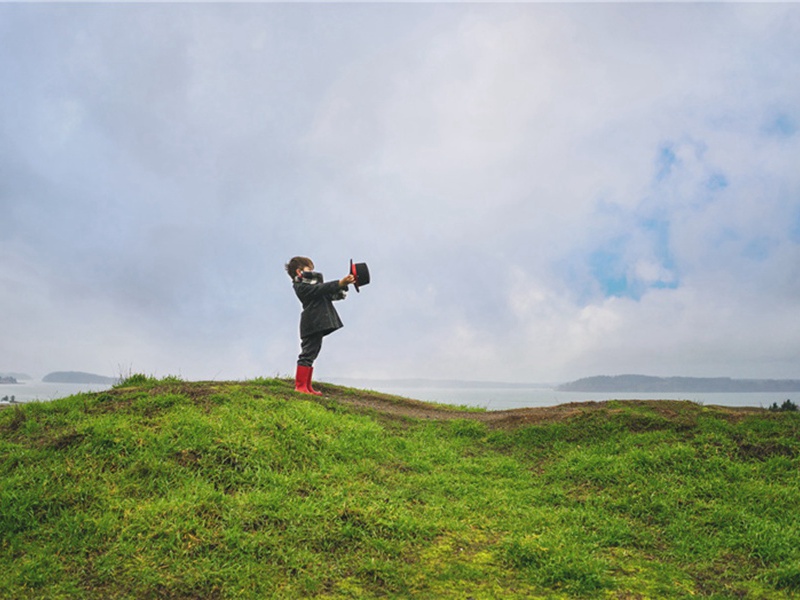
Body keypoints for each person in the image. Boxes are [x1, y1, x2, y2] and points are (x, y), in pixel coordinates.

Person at [286, 256, 355, 395]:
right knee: (307, 354)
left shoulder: (310, 286)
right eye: (309, 269)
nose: (312, 272)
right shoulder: (301, 286)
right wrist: (340, 282)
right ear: (299, 272)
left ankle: (307, 386)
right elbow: (320, 289)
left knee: (313, 353)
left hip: (315, 324)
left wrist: (343, 284)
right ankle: (300, 386)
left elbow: (327, 292)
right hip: (311, 323)